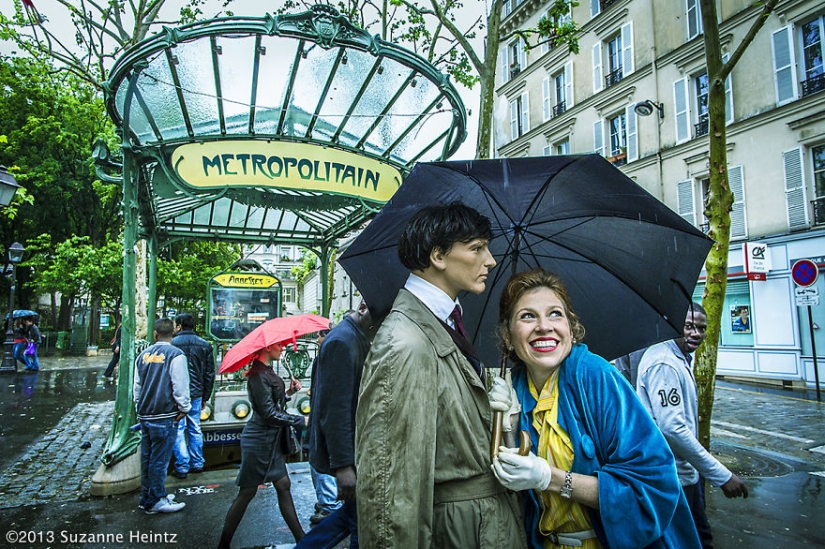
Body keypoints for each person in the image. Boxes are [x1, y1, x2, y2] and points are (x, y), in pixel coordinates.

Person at [355, 201, 527, 548]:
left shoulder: (440, 322)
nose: (490, 261)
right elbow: (390, 490)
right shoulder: (405, 342)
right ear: (437, 256)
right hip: (460, 531)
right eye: (477, 249)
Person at [490, 268, 701, 548]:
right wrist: (508, 425)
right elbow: (512, 490)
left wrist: (550, 478)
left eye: (555, 313)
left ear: (570, 326)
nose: (544, 326)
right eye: (527, 315)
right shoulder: (514, 386)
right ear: (508, 335)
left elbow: (653, 489)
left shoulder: (596, 376)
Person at [636, 303, 748, 549]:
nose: (696, 333)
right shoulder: (664, 362)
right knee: (690, 539)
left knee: (694, 537)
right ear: (674, 325)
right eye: (689, 326)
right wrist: (721, 474)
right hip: (672, 477)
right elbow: (672, 428)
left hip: (685, 474)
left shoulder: (677, 357)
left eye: (702, 328)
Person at [297, 301, 379, 549]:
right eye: (380, 320)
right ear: (364, 307)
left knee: (350, 519)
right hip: (351, 455)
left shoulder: (354, 337)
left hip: (357, 450)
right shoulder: (342, 342)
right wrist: (344, 466)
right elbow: (336, 410)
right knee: (358, 525)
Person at [218, 342, 308, 548]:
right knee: (247, 492)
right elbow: (268, 413)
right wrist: (299, 420)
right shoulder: (258, 375)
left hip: (269, 439)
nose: (283, 349)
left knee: (283, 485)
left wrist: (289, 393)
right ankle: (223, 544)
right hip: (259, 440)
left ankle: (302, 539)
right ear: (267, 348)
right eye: (279, 345)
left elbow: (271, 402)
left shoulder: (264, 371)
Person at [133, 318, 190, 515]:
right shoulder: (176, 355)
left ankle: (146, 497)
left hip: (147, 414)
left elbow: (137, 387)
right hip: (165, 415)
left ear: (155, 334)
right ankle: (157, 498)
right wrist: (184, 407)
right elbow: (180, 385)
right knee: (160, 460)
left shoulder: (143, 355)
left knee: (147, 459)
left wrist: (139, 408)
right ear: (173, 333)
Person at [170, 313, 216, 479]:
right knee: (195, 427)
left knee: (178, 429)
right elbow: (209, 373)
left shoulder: (172, 344)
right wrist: (205, 396)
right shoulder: (205, 345)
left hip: (176, 393)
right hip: (196, 393)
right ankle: (197, 462)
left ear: (180, 326)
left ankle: (182, 466)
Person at [306, 326, 342, 527]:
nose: (317, 338)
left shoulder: (329, 354)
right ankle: (327, 502)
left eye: (320, 334)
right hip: (319, 411)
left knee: (320, 457)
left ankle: (329, 504)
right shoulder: (325, 355)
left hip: (322, 414)